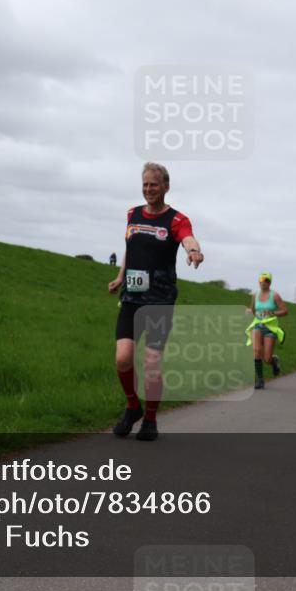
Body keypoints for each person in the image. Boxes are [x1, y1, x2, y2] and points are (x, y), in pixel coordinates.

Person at [108, 163, 203, 441]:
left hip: (160, 301)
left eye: (155, 185)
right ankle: (132, 406)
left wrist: (195, 250)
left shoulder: (176, 220)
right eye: (145, 184)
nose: (149, 189)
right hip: (131, 298)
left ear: (166, 187)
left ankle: (150, 419)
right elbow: (131, 249)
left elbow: (188, 239)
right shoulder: (132, 214)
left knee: (151, 362)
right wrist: (119, 276)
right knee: (123, 358)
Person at [246, 272, 288, 389]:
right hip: (258, 325)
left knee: (267, 358)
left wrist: (273, 313)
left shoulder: (275, 296)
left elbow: (285, 311)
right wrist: (251, 311)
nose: (262, 282)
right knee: (256, 351)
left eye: (265, 280)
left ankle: (274, 361)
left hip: (270, 327)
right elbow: (254, 309)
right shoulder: (255, 295)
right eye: (260, 279)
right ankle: (260, 380)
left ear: (269, 282)